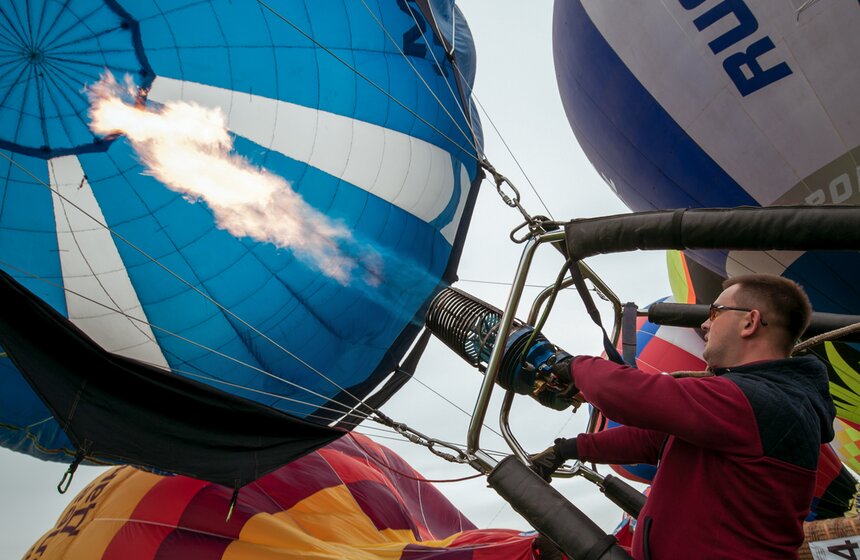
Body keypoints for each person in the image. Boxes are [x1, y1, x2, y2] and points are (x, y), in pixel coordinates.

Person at [532, 274, 835, 560]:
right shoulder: (754, 401)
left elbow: (633, 395)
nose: (705, 324)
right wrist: (568, 449)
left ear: (750, 321)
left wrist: (568, 364)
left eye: (716, 312)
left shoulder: (762, 401)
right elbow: (655, 440)